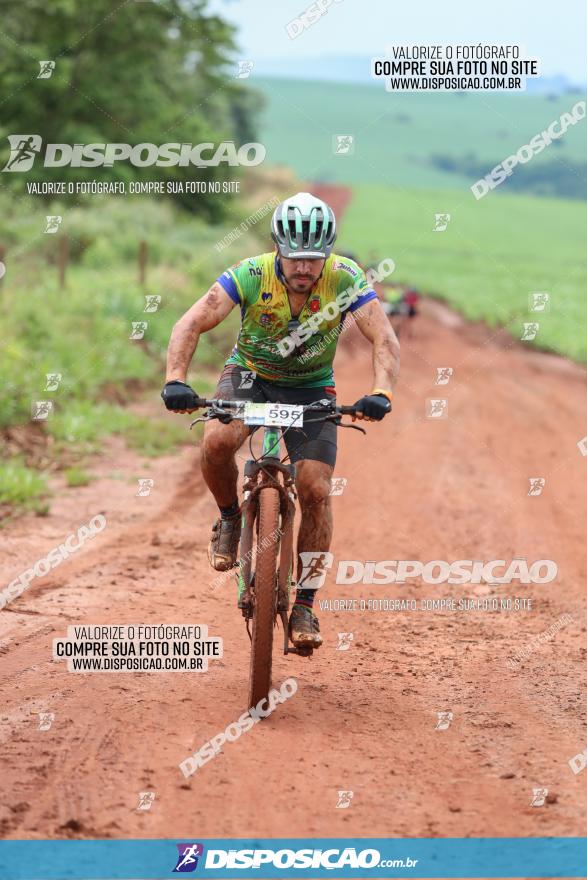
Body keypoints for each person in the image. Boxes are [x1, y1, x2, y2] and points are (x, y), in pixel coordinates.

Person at [161, 192, 400, 650]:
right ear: (277, 249)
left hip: (312, 388)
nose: (305, 269)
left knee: (314, 488)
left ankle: (306, 603)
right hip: (250, 375)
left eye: (314, 258)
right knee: (214, 444)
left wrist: (380, 392)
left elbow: (383, 338)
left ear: (328, 252)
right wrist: (176, 379)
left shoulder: (346, 279)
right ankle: (230, 518)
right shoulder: (248, 275)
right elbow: (189, 323)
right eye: (295, 258)